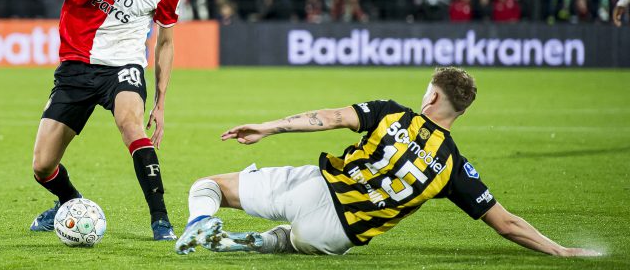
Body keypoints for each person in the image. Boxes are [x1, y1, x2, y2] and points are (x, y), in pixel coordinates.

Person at [175, 67, 601, 258]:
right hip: (338, 235)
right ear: (461, 112)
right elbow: (506, 223)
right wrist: (558, 249)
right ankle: (242, 243)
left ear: (432, 97)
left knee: (207, 187)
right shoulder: (455, 169)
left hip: (317, 187)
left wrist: (269, 127)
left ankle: (198, 227)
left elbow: (329, 118)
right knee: (291, 240)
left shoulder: (391, 112)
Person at [28, 0, 181, 241]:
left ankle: (161, 221)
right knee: (41, 165)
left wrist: (159, 104)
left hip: (123, 67)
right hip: (76, 66)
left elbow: (166, 44)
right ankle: (69, 202)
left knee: (132, 126)